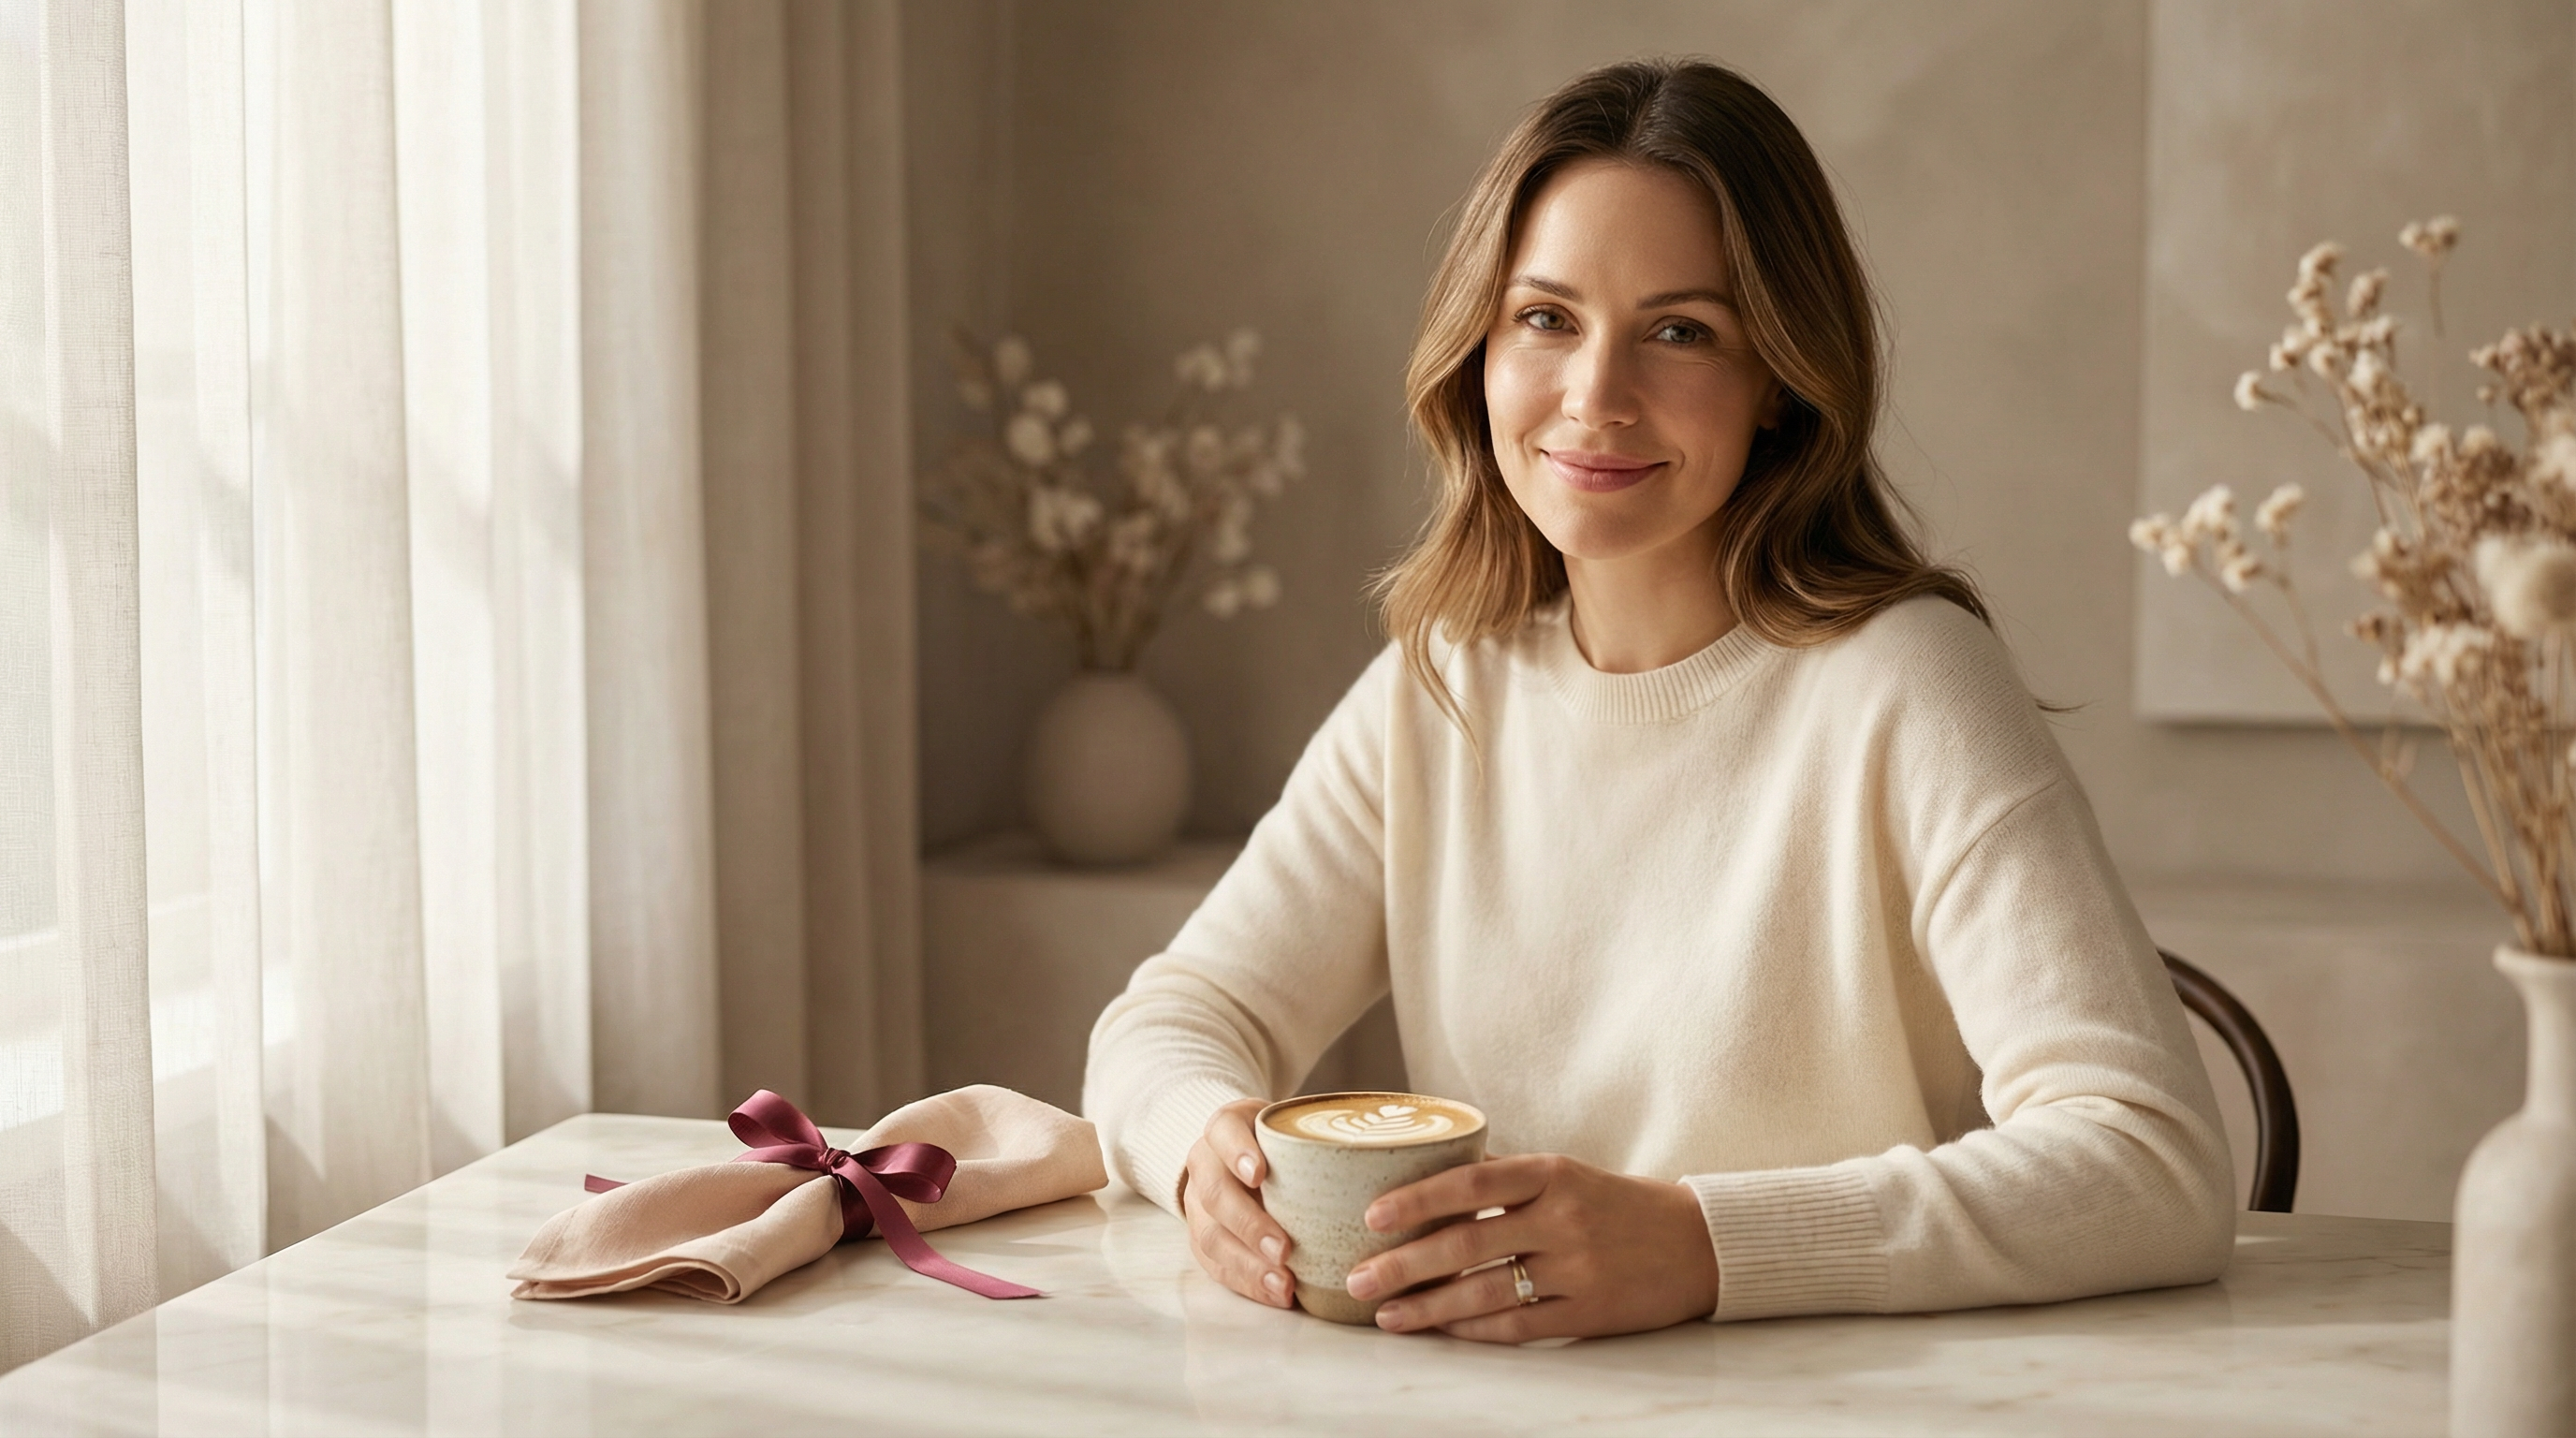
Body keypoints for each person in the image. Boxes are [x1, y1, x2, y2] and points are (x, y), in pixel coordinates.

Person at [1082, 57, 2233, 1344]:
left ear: (1783, 383)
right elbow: (1177, 1019)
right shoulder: (1442, 687)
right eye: (1547, 318)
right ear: (1480, 347)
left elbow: (2154, 1165)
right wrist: (1201, 1152)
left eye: (1681, 330)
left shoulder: (1905, 684)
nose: (1596, 395)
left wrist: (1705, 1247)